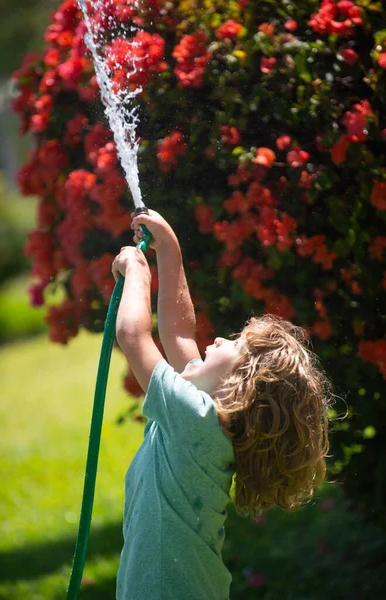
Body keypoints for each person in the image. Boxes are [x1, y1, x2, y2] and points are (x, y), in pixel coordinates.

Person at [111, 209, 332, 600]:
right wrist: (170, 249)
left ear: (241, 387)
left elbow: (133, 336)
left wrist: (138, 272)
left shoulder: (197, 421)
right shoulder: (205, 416)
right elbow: (179, 331)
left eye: (236, 345)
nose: (221, 341)